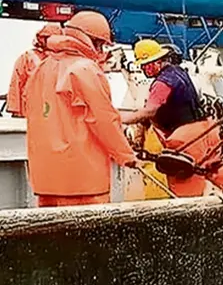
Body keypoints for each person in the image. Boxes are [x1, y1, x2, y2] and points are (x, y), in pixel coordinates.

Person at [23, 11, 138, 207]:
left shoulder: (40, 69)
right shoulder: (86, 69)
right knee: (89, 227)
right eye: (100, 44)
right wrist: (126, 156)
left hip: (45, 180)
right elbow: (103, 120)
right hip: (84, 182)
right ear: (91, 40)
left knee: (51, 228)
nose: (101, 51)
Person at [121, 39, 223, 197]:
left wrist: (121, 118)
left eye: (146, 65)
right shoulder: (179, 72)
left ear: (158, 62)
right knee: (215, 168)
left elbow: (150, 111)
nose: (145, 69)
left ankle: (191, 211)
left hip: (186, 139)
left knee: (185, 186)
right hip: (207, 130)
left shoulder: (162, 83)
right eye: (143, 66)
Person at [8, 23, 62, 118]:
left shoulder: (64, 59)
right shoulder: (27, 57)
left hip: (55, 111)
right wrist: (15, 109)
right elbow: (16, 83)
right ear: (41, 38)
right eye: (47, 38)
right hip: (30, 109)